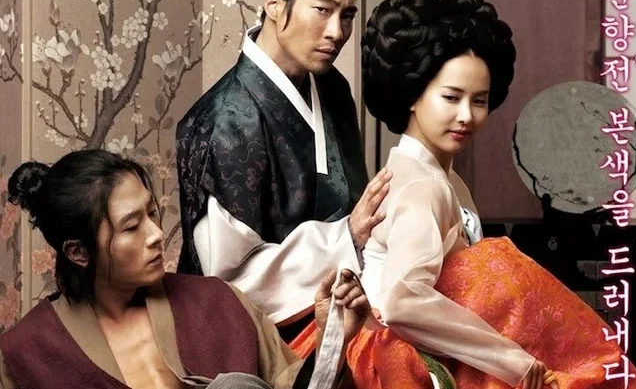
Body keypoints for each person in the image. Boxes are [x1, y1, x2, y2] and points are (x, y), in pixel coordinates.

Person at [290, 0, 636, 389]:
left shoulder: (437, 175)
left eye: (479, 101)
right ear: (412, 95)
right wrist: (513, 361)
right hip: (399, 356)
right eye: (451, 97)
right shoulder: (421, 185)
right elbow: (404, 301)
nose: (466, 116)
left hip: (426, 342)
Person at [175, 0, 391, 341]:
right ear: (275, 4)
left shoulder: (331, 87)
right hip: (257, 337)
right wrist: (345, 237)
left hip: (348, 302)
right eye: (323, 10)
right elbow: (230, 283)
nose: (337, 32)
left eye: (347, 15)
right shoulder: (225, 121)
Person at [0, 150, 370, 389]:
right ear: (78, 252)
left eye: (152, 213)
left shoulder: (219, 302)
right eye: (132, 226)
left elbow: (288, 383)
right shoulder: (26, 352)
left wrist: (332, 341)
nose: (156, 234)